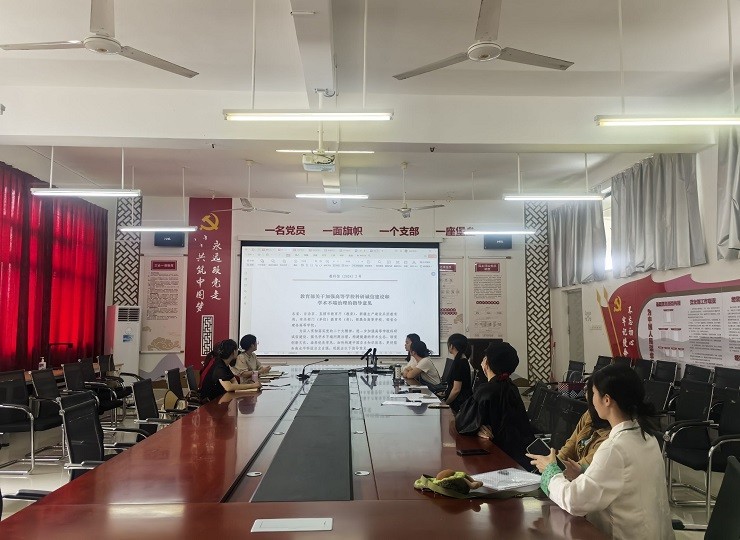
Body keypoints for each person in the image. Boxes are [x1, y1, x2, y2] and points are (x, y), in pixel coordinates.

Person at [527, 364, 674, 540]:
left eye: (594, 393)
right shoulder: (647, 437)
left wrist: (551, 473)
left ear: (607, 400)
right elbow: (624, 481)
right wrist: (582, 473)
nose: (591, 399)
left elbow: (575, 501)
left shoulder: (614, 448)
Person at [455, 341, 534, 468]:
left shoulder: (486, 390)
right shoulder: (511, 387)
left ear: (486, 362)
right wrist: (477, 427)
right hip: (518, 457)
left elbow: (461, 422)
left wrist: (475, 427)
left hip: (496, 457)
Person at [556, 378, 611, 480]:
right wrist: (556, 461)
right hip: (574, 478)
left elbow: (582, 470)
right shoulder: (590, 414)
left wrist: (552, 469)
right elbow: (571, 444)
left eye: (593, 393)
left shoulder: (611, 440)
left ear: (606, 399)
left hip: (584, 479)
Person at [442, 333, 473, 412]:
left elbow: (456, 390)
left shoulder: (459, 362)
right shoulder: (461, 360)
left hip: (458, 404)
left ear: (452, 346)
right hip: (459, 401)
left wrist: (446, 403)